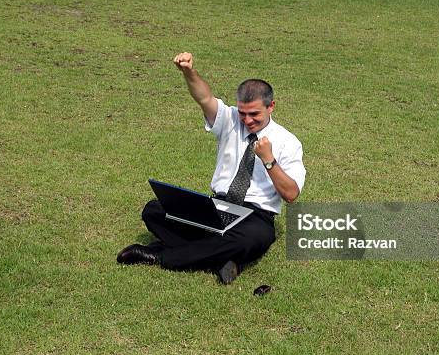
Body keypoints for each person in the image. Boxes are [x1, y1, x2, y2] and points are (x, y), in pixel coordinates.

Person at [117, 52, 306, 284]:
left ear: (271, 107)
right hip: (217, 206)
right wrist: (188, 72)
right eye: (243, 113)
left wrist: (269, 161)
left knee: (252, 240)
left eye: (254, 114)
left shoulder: (288, 142)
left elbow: (291, 194)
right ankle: (224, 259)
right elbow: (205, 98)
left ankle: (158, 255)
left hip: (255, 216)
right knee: (154, 211)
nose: (247, 121)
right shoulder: (230, 120)